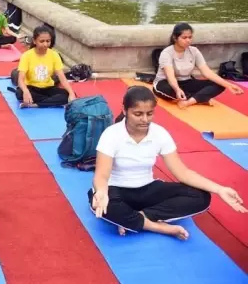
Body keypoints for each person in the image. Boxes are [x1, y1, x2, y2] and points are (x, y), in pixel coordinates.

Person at [90, 86, 245, 239]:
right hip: (117, 190)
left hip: (147, 189)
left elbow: (183, 173)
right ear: (125, 111)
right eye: (138, 114)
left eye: (149, 114)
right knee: (101, 203)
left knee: (201, 197)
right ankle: (157, 227)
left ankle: (138, 218)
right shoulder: (111, 134)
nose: (145, 119)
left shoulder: (160, 133)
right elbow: (101, 176)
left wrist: (219, 189)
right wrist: (102, 192)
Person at [153, 23, 243, 109]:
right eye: (184, 37)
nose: (188, 40)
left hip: (186, 82)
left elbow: (207, 72)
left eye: (190, 37)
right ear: (175, 38)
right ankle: (200, 97)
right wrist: (177, 89)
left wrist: (229, 85)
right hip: (166, 82)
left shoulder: (194, 51)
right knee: (170, 91)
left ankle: (189, 102)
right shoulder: (167, 53)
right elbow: (170, 77)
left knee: (219, 84)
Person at [16, 25, 75, 108]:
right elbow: (20, 79)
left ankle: (36, 105)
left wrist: (71, 94)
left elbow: (62, 77)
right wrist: (26, 91)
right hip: (32, 88)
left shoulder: (54, 55)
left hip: (48, 88)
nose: (45, 44)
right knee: (19, 93)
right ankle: (51, 101)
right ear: (34, 41)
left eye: (48, 41)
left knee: (68, 94)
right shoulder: (26, 56)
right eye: (42, 41)